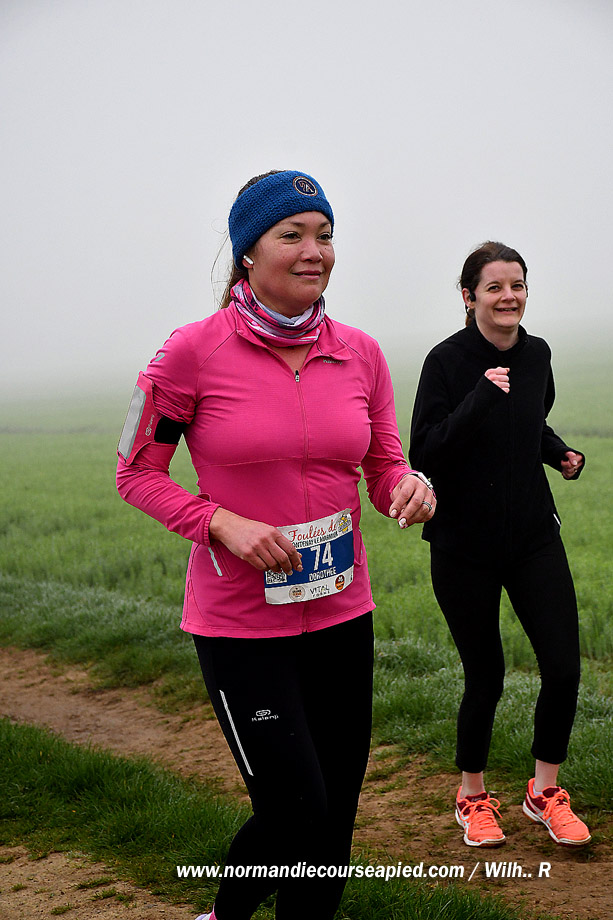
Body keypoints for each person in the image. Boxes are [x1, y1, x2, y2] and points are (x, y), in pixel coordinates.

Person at [116, 169, 435, 920]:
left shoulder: (361, 353)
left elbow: (382, 465)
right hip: (241, 626)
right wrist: (219, 522)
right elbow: (136, 473)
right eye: (291, 234)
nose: (313, 250)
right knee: (295, 809)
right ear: (247, 253)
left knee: (333, 820)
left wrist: (408, 486)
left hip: (341, 615)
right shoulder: (190, 354)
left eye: (324, 235)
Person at [409, 241, 591, 850]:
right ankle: (473, 797)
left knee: (563, 667)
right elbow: (425, 450)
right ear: (469, 297)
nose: (508, 296)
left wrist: (558, 452)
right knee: (485, 675)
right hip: (464, 545)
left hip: (534, 536)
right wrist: (482, 395)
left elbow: (529, 422)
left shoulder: (537, 354)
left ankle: (545, 792)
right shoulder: (446, 361)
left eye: (517, 285)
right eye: (494, 287)